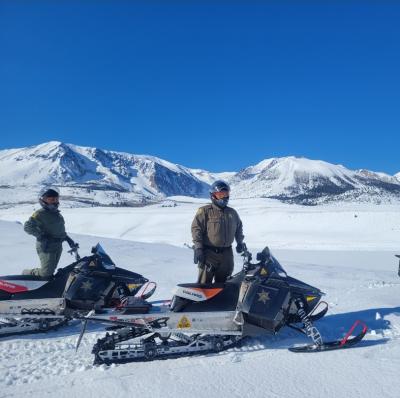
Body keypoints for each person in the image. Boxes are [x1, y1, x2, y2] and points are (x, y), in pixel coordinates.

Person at [191, 180, 245, 284]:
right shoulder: (205, 211)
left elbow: (239, 228)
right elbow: (196, 229)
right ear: (213, 195)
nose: (224, 197)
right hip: (209, 255)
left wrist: (240, 242)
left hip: (227, 255)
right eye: (221, 195)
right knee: (204, 286)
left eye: (226, 194)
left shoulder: (232, 213)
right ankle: (201, 301)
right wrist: (198, 248)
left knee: (225, 286)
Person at [23, 188, 77, 278]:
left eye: (56, 199)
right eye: (51, 200)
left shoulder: (57, 214)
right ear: (43, 200)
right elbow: (27, 227)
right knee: (46, 272)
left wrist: (69, 240)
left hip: (58, 245)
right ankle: (27, 273)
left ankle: (45, 284)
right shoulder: (40, 214)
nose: (55, 202)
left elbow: (60, 230)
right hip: (46, 246)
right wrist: (41, 235)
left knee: (51, 270)